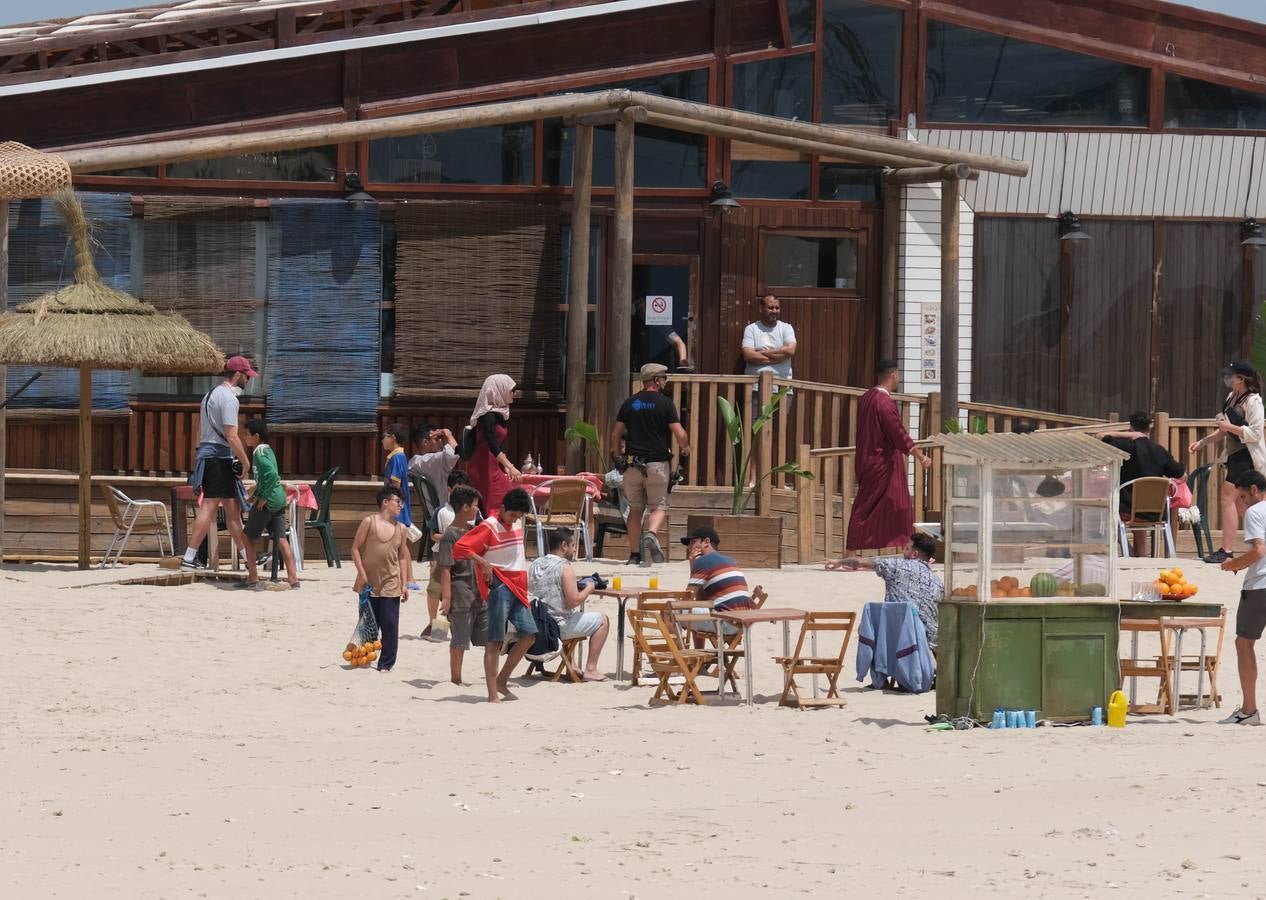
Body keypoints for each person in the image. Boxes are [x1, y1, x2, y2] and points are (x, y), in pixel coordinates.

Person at [454, 486, 536, 702]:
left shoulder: (518, 521)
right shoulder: (489, 526)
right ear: (502, 508)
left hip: (519, 588)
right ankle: (492, 695)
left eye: (518, 516)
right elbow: (460, 547)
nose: (513, 519)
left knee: (529, 634)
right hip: (500, 587)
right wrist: (483, 563)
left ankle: (502, 680)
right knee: (494, 641)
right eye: (511, 515)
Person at [846, 360, 932, 551]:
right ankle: (900, 548)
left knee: (874, 506)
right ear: (894, 375)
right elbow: (898, 433)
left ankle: (870, 548)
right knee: (898, 506)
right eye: (898, 375)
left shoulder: (867, 397)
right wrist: (921, 457)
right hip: (882, 462)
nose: (899, 379)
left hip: (867, 459)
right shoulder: (883, 402)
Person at [610, 363, 690, 566]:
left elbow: (616, 433)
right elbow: (679, 433)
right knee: (659, 506)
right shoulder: (665, 403)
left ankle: (635, 555)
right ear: (655, 380)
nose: (665, 381)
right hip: (657, 463)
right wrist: (685, 448)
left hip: (632, 464)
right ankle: (652, 533)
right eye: (663, 377)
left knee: (635, 509)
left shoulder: (631, 403)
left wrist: (618, 456)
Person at [181, 356, 256, 571]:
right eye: (247, 376)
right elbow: (232, 436)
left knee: (232, 510)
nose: (248, 381)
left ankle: (247, 556)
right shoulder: (230, 399)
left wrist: (199, 457)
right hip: (218, 458)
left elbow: (199, 431)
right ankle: (189, 557)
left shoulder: (209, 395)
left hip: (208, 456)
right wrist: (245, 462)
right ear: (239, 375)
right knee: (209, 507)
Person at [1190, 362, 1266, 564]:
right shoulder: (1231, 398)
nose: (1228, 379)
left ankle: (1226, 550)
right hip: (1234, 455)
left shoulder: (1253, 401)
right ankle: (1258, 544)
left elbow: (1255, 433)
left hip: (1246, 456)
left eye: (1232, 375)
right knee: (1244, 505)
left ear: (1241, 378)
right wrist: (1203, 442)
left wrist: (1230, 427)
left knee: (1227, 497)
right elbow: (1224, 429)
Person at [826, 533, 944, 649]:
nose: (903, 551)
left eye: (907, 548)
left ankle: (880, 666)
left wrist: (839, 562)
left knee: (866, 626)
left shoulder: (897, 566)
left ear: (914, 554)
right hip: (931, 642)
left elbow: (859, 562)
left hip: (904, 638)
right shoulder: (938, 582)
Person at [528, 528, 610, 681]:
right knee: (603, 620)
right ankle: (591, 669)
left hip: (537, 623)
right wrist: (589, 588)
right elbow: (574, 601)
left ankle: (571, 664)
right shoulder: (564, 566)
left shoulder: (535, 564)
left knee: (567, 614)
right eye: (573, 545)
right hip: (556, 628)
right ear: (563, 546)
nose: (574, 549)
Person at [1100, 412, 1185, 556]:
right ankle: (1140, 555)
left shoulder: (1125, 447)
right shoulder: (1159, 451)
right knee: (1140, 514)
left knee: (1106, 517)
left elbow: (1101, 436)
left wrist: (1130, 435)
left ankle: (1131, 553)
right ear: (1150, 427)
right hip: (1156, 512)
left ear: (1130, 427)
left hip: (1128, 510)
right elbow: (1181, 475)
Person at [1219, 470, 1266, 725]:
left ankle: (1249, 710)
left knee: (1243, 644)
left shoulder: (1256, 512)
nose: (1243, 502)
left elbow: (1259, 550)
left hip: (1260, 586)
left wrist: (1233, 564)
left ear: (1255, 490)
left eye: (1244, 496)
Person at [350, 486, 412, 673]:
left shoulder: (401, 529)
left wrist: (405, 582)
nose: (401, 506)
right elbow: (355, 549)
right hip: (368, 581)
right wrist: (361, 573)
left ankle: (386, 664)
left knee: (390, 624)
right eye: (398, 502)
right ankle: (364, 656)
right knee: (368, 622)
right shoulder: (369, 522)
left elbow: (402, 556)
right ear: (386, 502)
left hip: (391, 580)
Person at [240, 419, 300, 590]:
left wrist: (263, 497)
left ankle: (252, 576)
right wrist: (256, 495)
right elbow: (266, 478)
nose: (244, 438)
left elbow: (272, 475)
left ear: (256, 436)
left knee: (246, 536)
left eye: (246, 434)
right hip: (279, 499)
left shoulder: (258, 452)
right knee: (281, 539)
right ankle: (293, 579)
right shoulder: (268, 450)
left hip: (269, 502)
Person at [435, 485, 486, 686]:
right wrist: (446, 599)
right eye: (475, 505)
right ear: (465, 507)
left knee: (489, 637)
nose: (477, 509)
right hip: (460, 592)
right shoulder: (450, 535)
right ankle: (456, 679)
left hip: (478, 592)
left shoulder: (474, 530)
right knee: (459, 640)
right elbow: (446, 569)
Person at [422, 469, 477, 640]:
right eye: (457, 489)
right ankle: (432, 623)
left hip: (464, 559)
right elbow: (432, 535)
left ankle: (456, 626)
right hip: (440, 556)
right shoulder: (442, 512)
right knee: (434, 590)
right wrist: (448, 537)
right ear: (449, 490)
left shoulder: (474, 512)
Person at [467, 374, 522, 515]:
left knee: (507, 499)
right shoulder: (488, 415)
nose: (514, 394)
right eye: (512, 390)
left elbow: (499, 444)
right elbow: (491, 442)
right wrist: (510, 466)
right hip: (483, 466)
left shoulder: (501, 414)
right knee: (496, 505)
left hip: (493, 465)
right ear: (499, 389)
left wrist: (505, 466)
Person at [741, 294, 797, 418]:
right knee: (754, 429)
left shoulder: (786, 328)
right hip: (755, 387)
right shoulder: (751, 329)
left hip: (782, 388)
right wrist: (779, 355)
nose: (774, 311)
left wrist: (762, 352)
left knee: (778, 430)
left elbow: (790, 351)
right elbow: (748, 355)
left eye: (777, 308)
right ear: (761, 308)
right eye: (770, 307)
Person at [409, 423, 459, 507]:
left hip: (433, 512)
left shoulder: (414, 462)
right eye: (437, 439)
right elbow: (454, 454)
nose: (440, 441)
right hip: (444, 511)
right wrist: (448, 435)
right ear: (425, 442)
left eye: (441, 438)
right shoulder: (434, 461)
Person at [381, 423, 413, 529]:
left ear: (393, 438)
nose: (382, 440)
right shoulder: (397, 456)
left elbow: (396, 485)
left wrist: (392, 507)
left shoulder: (397, 457)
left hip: (395, 509)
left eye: (384, 436)